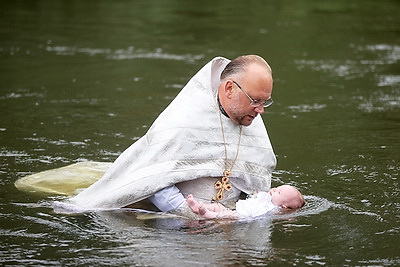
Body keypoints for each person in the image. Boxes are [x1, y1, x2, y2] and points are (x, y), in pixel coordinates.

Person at [63, 55, 276, 218]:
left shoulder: (252, 122)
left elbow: (257, 189)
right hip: (173, 220)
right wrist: (189, 212)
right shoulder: (183, 121)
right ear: (229, 88)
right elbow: (153, 181)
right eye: (255, 100)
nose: (261, 110)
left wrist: (247, 211)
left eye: (265, 102)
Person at [186, 185, 305, 219]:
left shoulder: (275, 210)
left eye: (278, 193)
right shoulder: (267, 197)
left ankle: (206, 213)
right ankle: (198, 206)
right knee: (219, 206)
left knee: (223, 216)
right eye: (277, 188)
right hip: (238, 208)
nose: (274, 190)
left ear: (284, 206)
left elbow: (285, 217)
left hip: (241, 216)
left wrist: (289, 219)